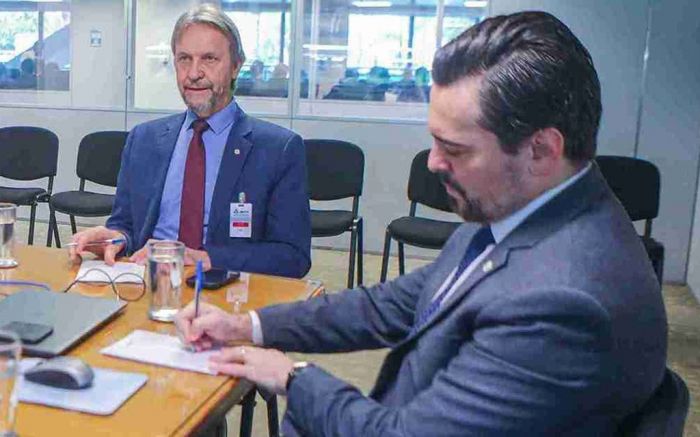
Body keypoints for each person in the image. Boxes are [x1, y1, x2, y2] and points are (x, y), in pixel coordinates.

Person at [175, 11, 668, 435]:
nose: (433, 163)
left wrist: (292, 377)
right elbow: (399, 303)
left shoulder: (563, 304)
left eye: (455, 148)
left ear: (541, 149)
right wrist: (247, 325)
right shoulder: (523, 205)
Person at [69, 4, 311, 278]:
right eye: (184, 59)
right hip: (147, 283)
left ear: (235, 66)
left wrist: (206, 259)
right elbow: (126, 226)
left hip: (225, 291)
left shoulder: (278, 150)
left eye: (209, 59)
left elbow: (293, 257)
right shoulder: (143, 140)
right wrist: (115, 238)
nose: (194, 73)